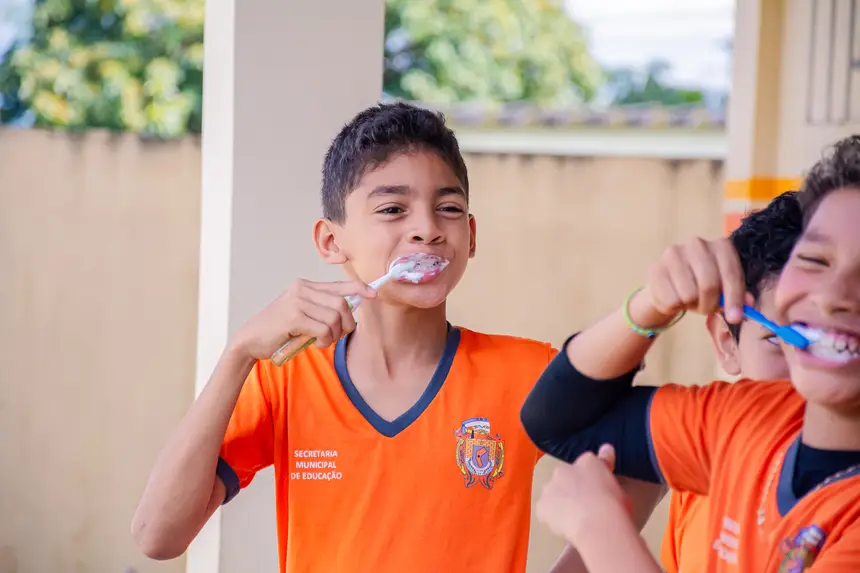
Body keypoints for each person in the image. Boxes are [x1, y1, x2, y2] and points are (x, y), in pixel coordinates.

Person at [130, 102, 658, 572]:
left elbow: (650, 462)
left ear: (471, 236)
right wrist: (238, 353)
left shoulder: (528, 373)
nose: (427, 228)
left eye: (448, 208)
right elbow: (158, 536)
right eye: (392, 209)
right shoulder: (284, 379)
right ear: (330, 241)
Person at [522, 135, 860, 572]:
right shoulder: (750, 417)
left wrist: (601, 531)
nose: (832, 296)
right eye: (815, 260)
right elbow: (558, 422)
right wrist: (651, 305)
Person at [661, 190, 801, 573]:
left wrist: (604, 533)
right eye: (779, 341)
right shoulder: (703, 473)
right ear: (727, 343)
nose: (809, 371)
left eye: (835, 343)